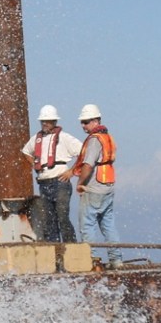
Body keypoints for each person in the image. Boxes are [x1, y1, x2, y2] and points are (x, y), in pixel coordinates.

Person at [19, 104, 80, 242]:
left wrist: (72, 171)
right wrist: (34, 163)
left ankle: (71, 246)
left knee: (62, 217)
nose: (44, 123)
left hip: (60, 182)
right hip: (44, 183)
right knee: (49, 220)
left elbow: (83, 152)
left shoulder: (64, 138)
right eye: (43, 121)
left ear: (55, 121)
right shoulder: (37, 139)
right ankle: (55, 251)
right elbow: (25, 151)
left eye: (48, 121)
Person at [71, 105, 119, 266]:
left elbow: (88, 165)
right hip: (108, 186)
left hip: (94, 187)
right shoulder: (107, 137)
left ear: (95, 120)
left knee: (87, 224)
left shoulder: (94, 140)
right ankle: (116, 259)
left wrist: (80, 183)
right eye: (82, 122)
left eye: (85, 122)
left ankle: (91, 260)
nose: (83, 126)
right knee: (108, 224)